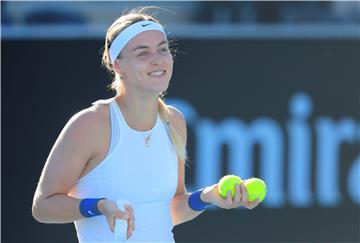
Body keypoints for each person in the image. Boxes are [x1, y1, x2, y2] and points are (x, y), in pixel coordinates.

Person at [32, 7, 260, 243]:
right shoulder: (90, 124)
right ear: (118, 65)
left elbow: (170, 211)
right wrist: (100, 206)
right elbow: (43, 206)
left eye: (163, 49)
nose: (157, 59)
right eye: (142, 53)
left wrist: (207, 197)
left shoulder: (175, 120)